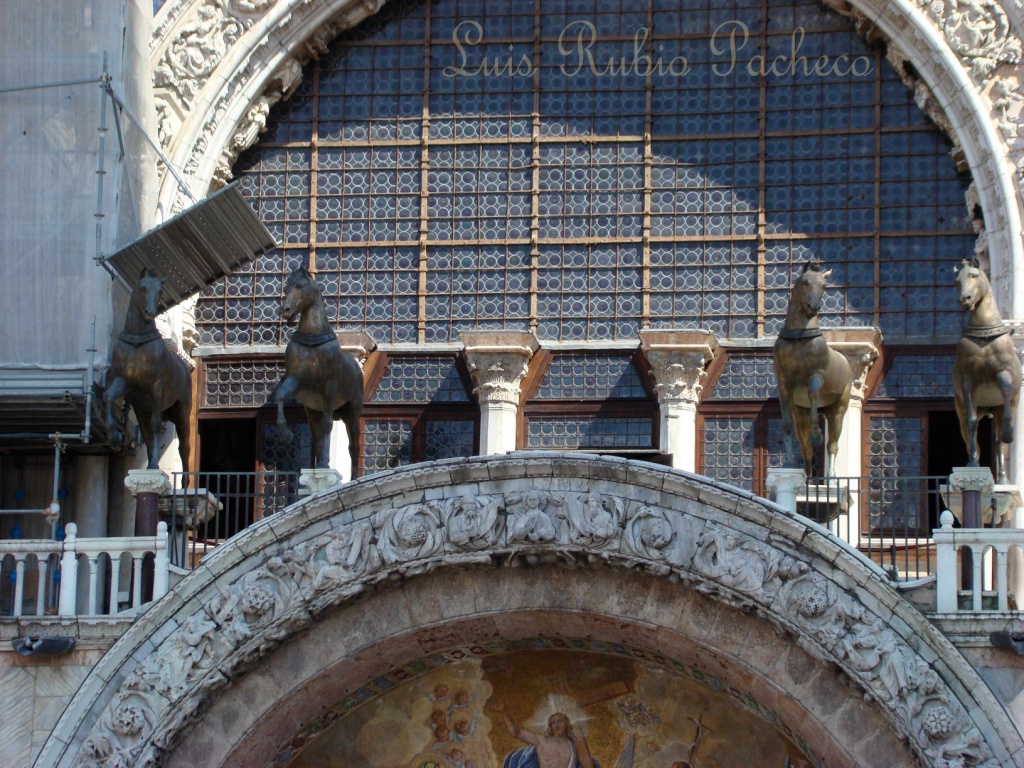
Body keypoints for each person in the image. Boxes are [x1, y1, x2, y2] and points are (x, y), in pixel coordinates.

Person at [488, 699, 598, 768]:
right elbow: (517, 733)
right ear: (550, 727)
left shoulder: (574, 746)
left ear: (566, 724)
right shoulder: (541, 741)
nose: (556, 725)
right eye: (553, 723)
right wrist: (504, 712)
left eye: (559, 721)